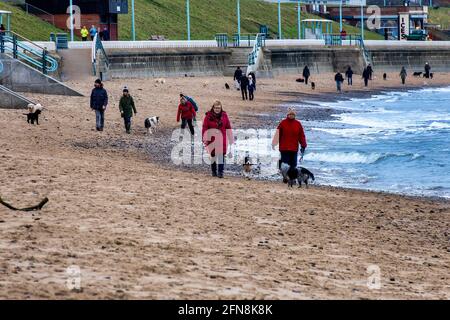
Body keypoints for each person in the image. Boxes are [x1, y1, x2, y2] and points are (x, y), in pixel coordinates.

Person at [272, 108, 307, 183]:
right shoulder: (283, 123)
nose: (291, 115)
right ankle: (285, 178)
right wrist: (274, 143)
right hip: (284, 148)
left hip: (294, 148)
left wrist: (303, 145)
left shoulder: (298, 124)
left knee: (293, 164)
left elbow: (301, 135)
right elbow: (278, 134)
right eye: (290, 114)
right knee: (285, 164)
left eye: (293, 114)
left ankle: (292, 178)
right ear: (287, 115)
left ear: (295, 115)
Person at [202, 100, 233, 178]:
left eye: (218, 108)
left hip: (222, 139)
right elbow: (205, 128)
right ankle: (213, 171)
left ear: (221, 108)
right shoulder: (208, 116)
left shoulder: (224, 115)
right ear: (213, 108)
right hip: (211, 139)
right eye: (215, 108)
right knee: (213, 156)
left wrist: (231, 137)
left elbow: (228, 127)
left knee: (221, 156)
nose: (217, 109)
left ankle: (220, 172)